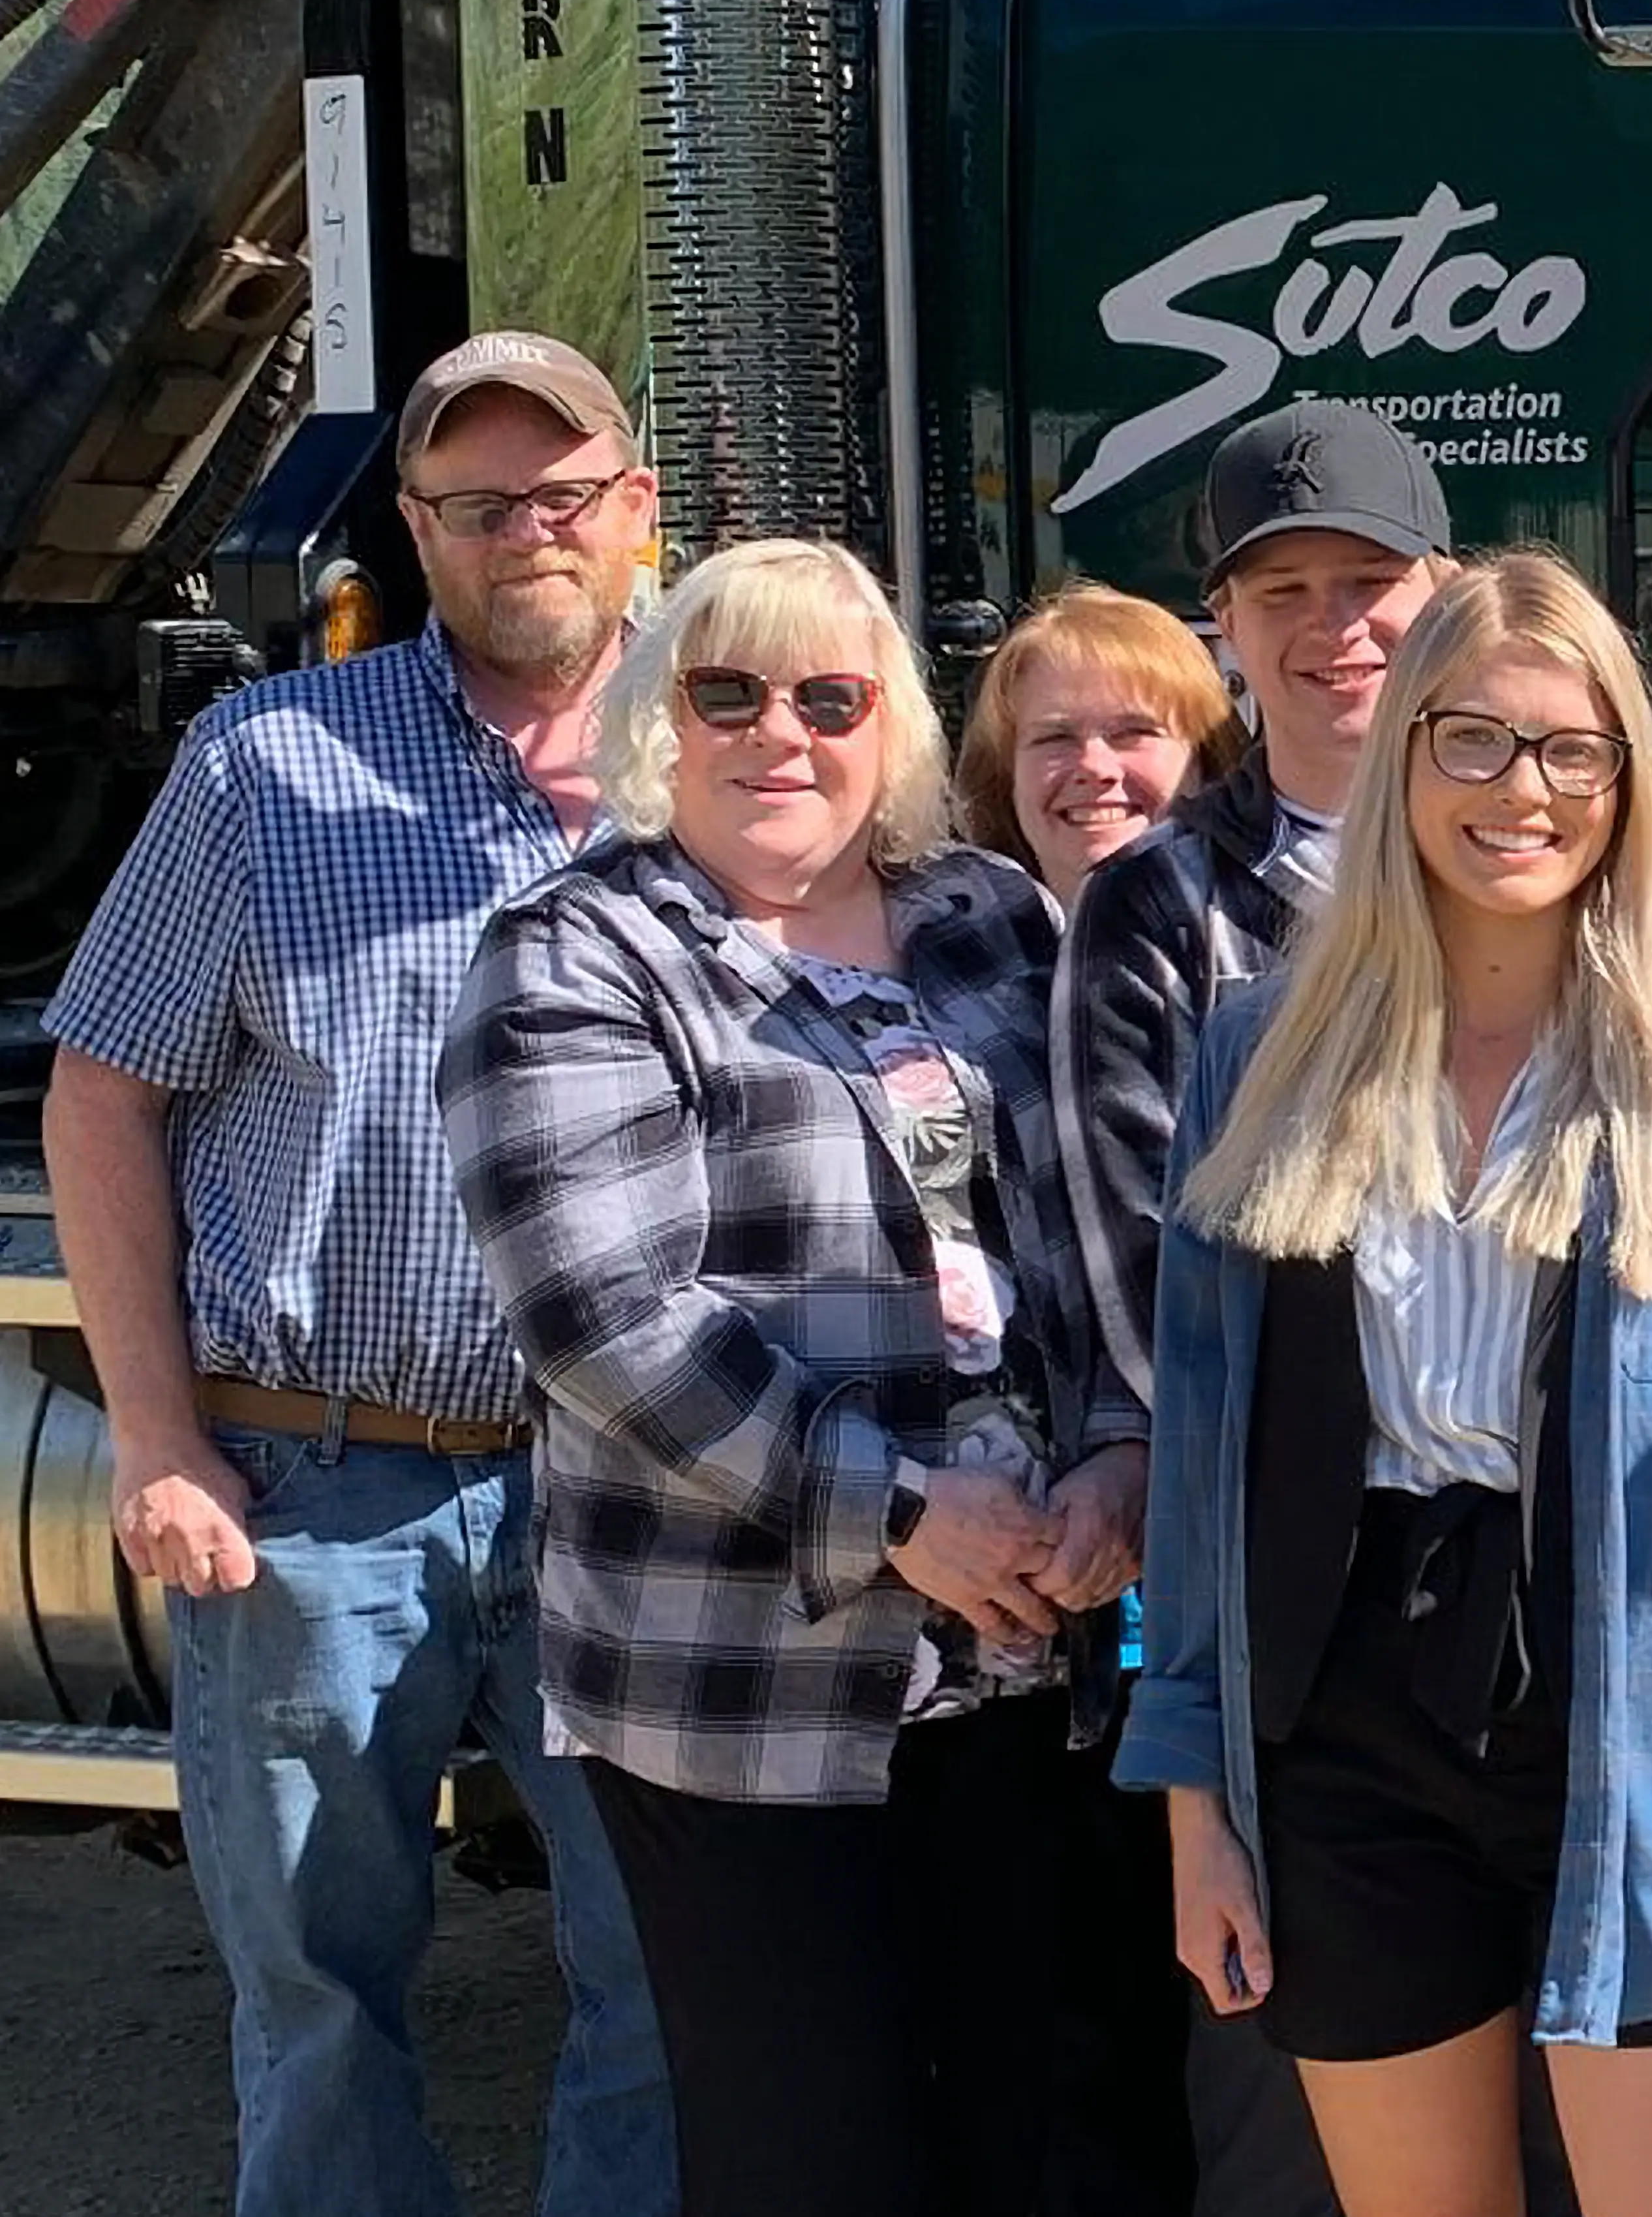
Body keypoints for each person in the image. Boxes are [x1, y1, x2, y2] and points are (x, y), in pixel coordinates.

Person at [1120, 550, 1652, 2217]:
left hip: (1643, 1703)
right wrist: (1196, 1806)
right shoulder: (1265, 1056)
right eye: (1469, 738)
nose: (1519, 789)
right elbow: (1201, 1465)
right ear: (1398, 754)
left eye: (1569, 748)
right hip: (1345, 1708)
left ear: (1626, 779)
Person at [40, 330, 675, 2217]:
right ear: (415, 530)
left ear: (637, 512)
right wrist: (158, 1438)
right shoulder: (266, 765)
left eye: (563, 495)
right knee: (319, 1995)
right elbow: (99, 1101)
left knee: (668, 1980)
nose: (527, 534)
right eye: (479, 506)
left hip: (635, 1496)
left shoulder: (730, 764)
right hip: (321, 1492)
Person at [444, 536, 1144, 2217]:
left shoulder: (986, 913)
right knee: (810, 2152)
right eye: (729, 692)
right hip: (747, 1689)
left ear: (887, 721)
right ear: (657, 722)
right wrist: (900, 1507)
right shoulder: (572, 952)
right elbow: (608, 1318)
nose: (783, 732)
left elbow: (1091, 1219)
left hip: (1025, 1659)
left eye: (830, 695)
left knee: (1030, 2134)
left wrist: (1120, 1445)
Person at [1053, 400, 1464, 2217]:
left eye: (1371, 582)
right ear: (1222, 622)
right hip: (1285, 1613)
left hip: (1540, 1600)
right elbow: (1148, 1298)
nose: (1332, 627)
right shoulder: (1158, 912)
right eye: (1282, 588)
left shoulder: (1567, 854)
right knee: (1289, 2110)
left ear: (1445, 595)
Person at [958, 583, 1246, 908]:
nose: (1093, 766)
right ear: (1006, 777)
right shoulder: (943, 950)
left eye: (1133, 733)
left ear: (1207, 761)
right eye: (1056, 737)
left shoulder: (1284, 949)